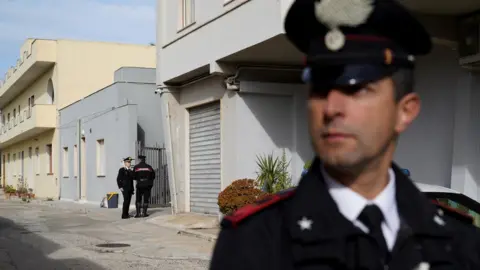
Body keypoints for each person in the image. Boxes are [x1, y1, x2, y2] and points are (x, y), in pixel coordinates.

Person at [210, 0, 480, 269]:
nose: (331, 108)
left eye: (357, 89)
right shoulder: (253, 243)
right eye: (320, 90)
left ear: (405, 111)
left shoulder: (460, 243)